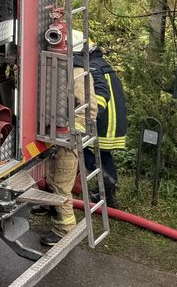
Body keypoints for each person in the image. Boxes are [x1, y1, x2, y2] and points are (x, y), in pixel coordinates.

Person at [42, 30, 94, 246]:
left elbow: (88, 109)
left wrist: (74, 133)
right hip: (62, 137)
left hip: (71, 139)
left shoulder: (77, 73)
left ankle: (63, 230)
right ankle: (54, 211)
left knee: (62, 184)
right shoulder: (72, 69)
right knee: (54, 178)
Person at [78, 36, 127, 208]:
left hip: (104, 119)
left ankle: (104, 179)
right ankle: (107, 191)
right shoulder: (102, 63)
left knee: (80, 148)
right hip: (114, 118)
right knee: (104, 154)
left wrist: (90, 117)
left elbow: (99, 94)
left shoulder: (92, 67)